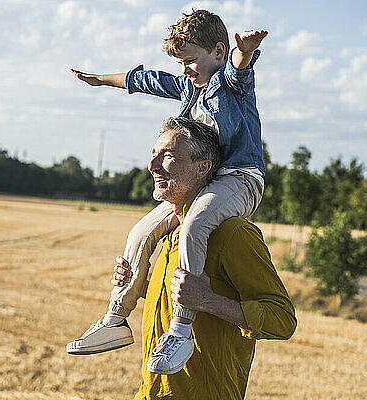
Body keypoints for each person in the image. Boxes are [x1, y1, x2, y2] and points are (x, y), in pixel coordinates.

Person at [67, 9, 269, 375]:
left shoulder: (230, 84)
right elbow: (144, 80)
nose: (186, 69)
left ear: (218, 51)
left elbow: (240, 68)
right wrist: (99, 79)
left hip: (240, 179)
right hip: (203, 183)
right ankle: (115, 319)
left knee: (195, 224)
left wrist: (246, 51)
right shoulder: (188, 87)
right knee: (140, 232)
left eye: (191, 60)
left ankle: (181, 330)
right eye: (181, 62)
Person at [115, 117, 296, 399]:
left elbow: (282, 320)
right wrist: (140, 284)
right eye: (154, 155)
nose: (152, 166)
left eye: (168, 156)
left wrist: (210, 301)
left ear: (203, 168)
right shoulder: (172, 234)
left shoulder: (233, 234)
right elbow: (181, 295)